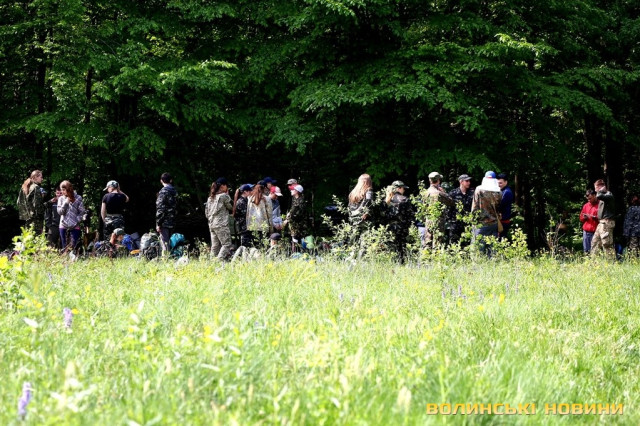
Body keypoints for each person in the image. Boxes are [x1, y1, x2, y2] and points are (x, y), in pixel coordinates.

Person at [471, 171, 502, 255]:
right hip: (494, 224)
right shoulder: (499, 191)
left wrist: (473, 221)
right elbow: (499, 207)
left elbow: (475, 207)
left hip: (481, 224)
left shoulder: (479, 190)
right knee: (492, 251)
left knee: (478, 250)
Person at [385, 180, 414, 263]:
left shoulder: (387, 199)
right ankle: (401, 262)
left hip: (390, 227)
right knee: (402, 246)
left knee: (391, 245)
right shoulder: (404, 199)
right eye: (403, 188)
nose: (404, 190)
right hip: (402, 227)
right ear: (398, 188)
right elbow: (410, 215)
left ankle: (391, 262)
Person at [423, 172, 454, 249]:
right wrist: (444, 192)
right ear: (438, 180)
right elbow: (451, 202)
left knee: (428, 242)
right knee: (438, 243)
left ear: (430, 180)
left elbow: (424, 208)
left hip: (428, 219)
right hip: (439, 220)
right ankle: (436, 256)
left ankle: (426, 256)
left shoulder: (425, 193)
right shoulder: (439, 193)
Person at [205, 178, 233, 260]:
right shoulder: (224, 196)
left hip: (211, 224)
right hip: (221, 224)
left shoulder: (210, 198)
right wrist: (229, 196)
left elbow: (206, 212)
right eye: (226, 186)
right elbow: (231, 207)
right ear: (223, 186)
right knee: (227, 244)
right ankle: (219, 260)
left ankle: (212, 262)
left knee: (215, 246)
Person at [57, 180, 87, 252]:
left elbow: (82, 212)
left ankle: (73, 257)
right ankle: (65, 258)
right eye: (61, 190)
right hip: (63, 225)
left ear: (69, 189)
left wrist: (76, 220)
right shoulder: (61, 199)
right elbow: (60, 212)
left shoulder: (78, 198)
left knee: (73, 246)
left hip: (75, 225)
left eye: (63, 190)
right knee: (64, 246)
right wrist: (65, 203)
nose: (62, 192)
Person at [446, 174, 474, 245]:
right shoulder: (453, 193)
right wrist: (450, 221)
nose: (469, 183)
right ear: (461, 182)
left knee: (467, 244)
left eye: (469, 181)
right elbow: (448, 208)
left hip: (467, 224)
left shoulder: (472, 193)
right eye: (466, 181)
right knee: (454, 244)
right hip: (455, 224)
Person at [591, 179, 615, 259]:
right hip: (601, 223)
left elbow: (599, 196)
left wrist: (601, 190)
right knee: (595, 242)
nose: (595, 190)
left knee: (607, 244)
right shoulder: (603, 196)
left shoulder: (608, 194)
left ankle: (611, 262)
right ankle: (593, 261)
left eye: (596, 188)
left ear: (600, 187)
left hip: (607, 223)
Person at [17, 170, 46, 234]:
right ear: (35, 177)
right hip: (36, 219)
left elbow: (18, 202)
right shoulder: (36, 187)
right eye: (41, 177)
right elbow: (37, 206)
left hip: (28, 217)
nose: (42, 179)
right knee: (36, 237)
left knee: (29, 236)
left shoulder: (24, 186)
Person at [156, 172, 178, 254]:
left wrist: (158, 223)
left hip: (164, 221)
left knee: (164, 244)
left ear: (161, 181)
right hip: (173, 220)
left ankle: (166, 259)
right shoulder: (175, 192)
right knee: (171, 242)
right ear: (171, 180)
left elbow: (161, 209)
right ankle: (171, 257)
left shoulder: (163, 192)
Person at [246, 181, 273, 246]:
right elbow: (269, 214)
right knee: (263, 246)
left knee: (254, 246)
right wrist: (271, 228)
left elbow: (248, 212)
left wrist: (248, 225)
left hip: (252, 225)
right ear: (265, 188)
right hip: (263, 226)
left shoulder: (250, 198)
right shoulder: (267, 199)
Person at [284, 184, 308, 252]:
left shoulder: (300, 201)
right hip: (295, 226)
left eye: (292, 189)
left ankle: (296, 254)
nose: (291, 191)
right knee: (295, 240)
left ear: (297, 191)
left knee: (296, 241)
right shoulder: (296, 199)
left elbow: (295, 215)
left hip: (298, 226)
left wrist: (287, 220)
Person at [233, 184, 253, 248]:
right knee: (245, 244)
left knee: (248, 243)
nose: (250, 193)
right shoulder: (241, 202)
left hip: (246, 225)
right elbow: (246, 214)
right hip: (243, 226)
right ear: (245, 192)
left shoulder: (245, 200)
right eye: (249, 191)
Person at [579, 189, 599, 254]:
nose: (589, 200)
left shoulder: (600, 205)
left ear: (594, 195)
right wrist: (584, 217)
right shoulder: (586, 205)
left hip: (596, 231)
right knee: (586, 250)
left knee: (595, 251)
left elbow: (603, 218)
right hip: (586, 231)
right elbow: (581, 218)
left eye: (590, 198)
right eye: (588, 199)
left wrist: (595, 218)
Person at [44, 184, 62, 248]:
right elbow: (47, 213)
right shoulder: (52, 202)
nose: (59, 195)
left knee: (63, 245)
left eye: (60, 193)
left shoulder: (66, 202)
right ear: (55, 193)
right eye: (57, 193)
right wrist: (49, 225)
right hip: (53, 226)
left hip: (64, 226)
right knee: (50, 246)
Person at [497, 173, 514, 238]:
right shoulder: (502, 191)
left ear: (506, 182)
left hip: (503, 221)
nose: (498, 185)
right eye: (498, 183)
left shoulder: (507, 192)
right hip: (502, 220)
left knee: (501, 239)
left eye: (500, 183)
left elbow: (500, 206)